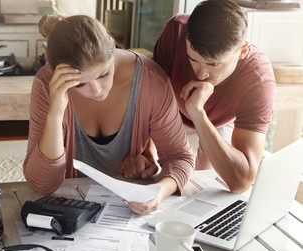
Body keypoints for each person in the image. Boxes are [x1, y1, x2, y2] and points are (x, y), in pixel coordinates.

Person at [23, 14, 194, 215]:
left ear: (112, 48)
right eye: (80, 84)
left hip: (126, 212)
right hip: (73, 210)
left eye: (103, 74)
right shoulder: (47, 84)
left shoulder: (150, 79)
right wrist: (55, 113)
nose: (96, 90)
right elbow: (42, 184)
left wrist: (158, 191)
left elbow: (179, 156)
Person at [153, 0, 275, 194]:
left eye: (214, 64)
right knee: (159, 177)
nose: (200, 74)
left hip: (219, 121)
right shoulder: (176, 31)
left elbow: (241, 182)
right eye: (193, 59)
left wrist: (198, 113)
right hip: (169, 110)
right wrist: (144, 154)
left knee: (206, 186)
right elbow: (149, 101)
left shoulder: (258, 79)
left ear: (242, 51)